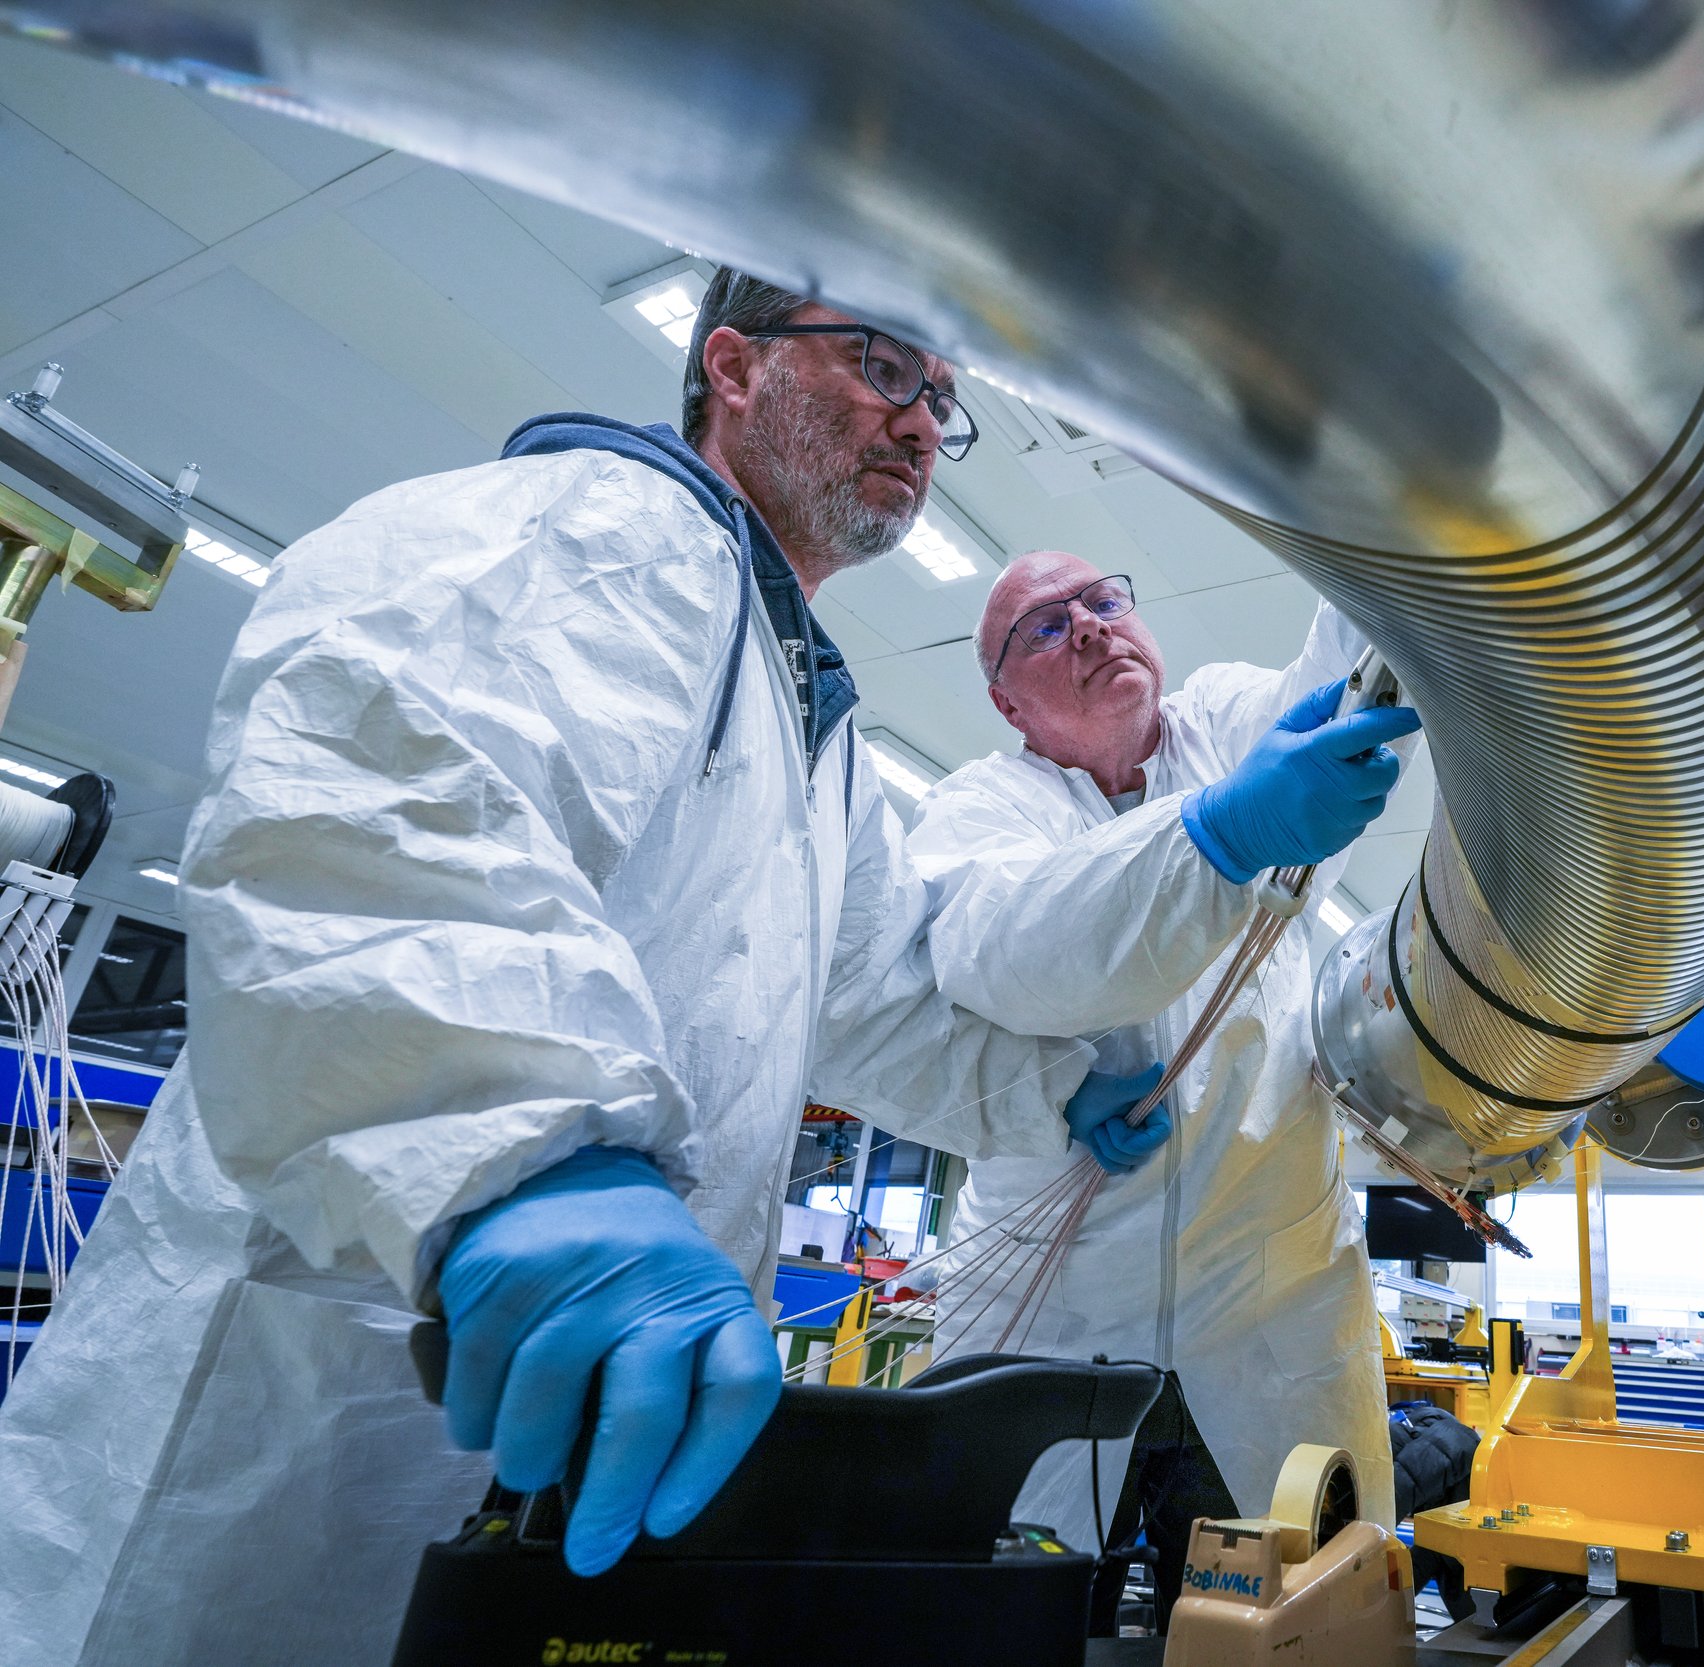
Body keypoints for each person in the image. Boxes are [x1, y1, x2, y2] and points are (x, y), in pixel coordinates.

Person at [0, 271, 1156, 1665]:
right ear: (732, 367)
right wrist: (533, 1149)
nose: (923, 422)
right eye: (885, 365)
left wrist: (1046, 1095)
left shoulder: (816, 727)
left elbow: (867, 1001)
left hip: (585, 1445)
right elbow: (385, 795)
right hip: (308, 1381)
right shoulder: (597, 525)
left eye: (945, 401)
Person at [906, 549, 1421, 1634]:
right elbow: (1017, 947)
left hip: (1269, 1282)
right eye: (1045, 628)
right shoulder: (979, 809)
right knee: (1013, 1604)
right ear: (1005, 699)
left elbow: (1341, 669)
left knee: (1287, 1606)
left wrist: (1380, 531)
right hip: (1054, 1302)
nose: (1089, 627)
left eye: (1102, 600)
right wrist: (1218, 834)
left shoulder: (1227, 720)